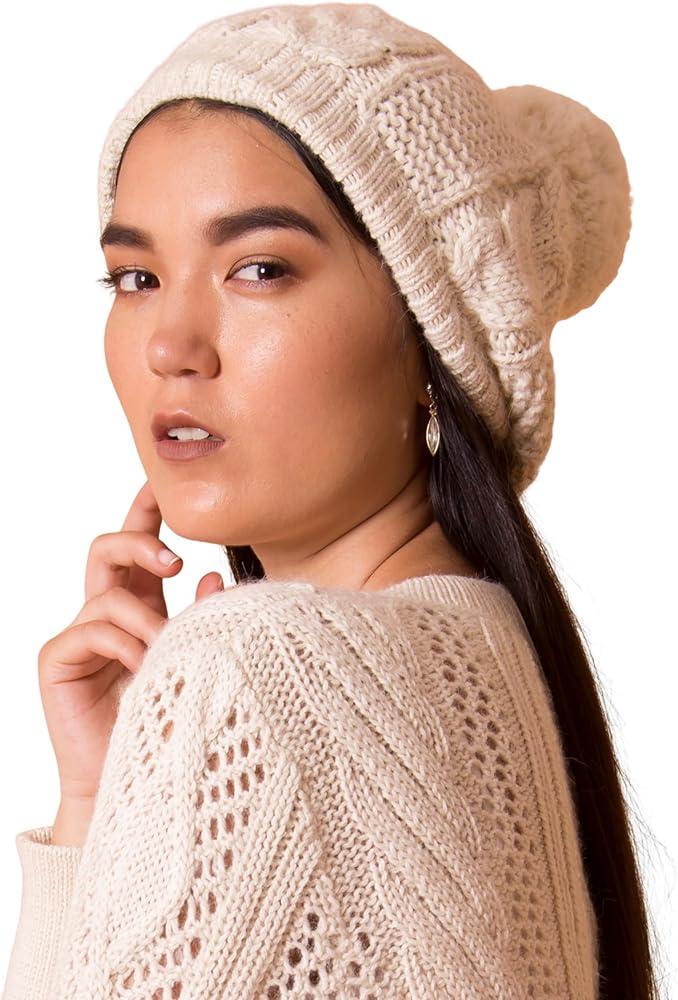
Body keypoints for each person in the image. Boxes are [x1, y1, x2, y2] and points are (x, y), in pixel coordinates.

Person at [0, 4, 661, 998]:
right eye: (135, 276)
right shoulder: (498, 657)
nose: (170, 344)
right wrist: (105, 794)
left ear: (428, 332)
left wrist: (97, 812)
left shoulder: (249, 666)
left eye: (259, 269)